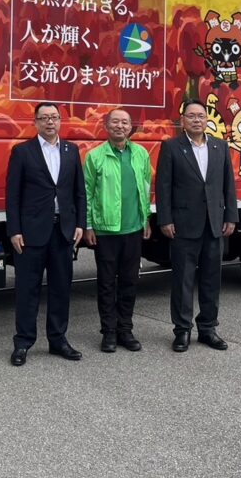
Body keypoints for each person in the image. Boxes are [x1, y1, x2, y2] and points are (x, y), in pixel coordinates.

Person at [155, 97, 239, 352]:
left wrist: (231, 216)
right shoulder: (171, 147)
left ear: (207, 120)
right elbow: (163, 186)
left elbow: (228, 185)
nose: (196, 120)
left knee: (212, 279)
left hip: (214, 224)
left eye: (201, 116)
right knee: (183, 280)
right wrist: (165, 219)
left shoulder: (220, 147)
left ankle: (208, 329)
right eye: (191, 116)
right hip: (183, 225)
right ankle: (182, 330)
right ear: (182, 121)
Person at [6, 102, 86, 366]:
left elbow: (79, 192)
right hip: (31, 232)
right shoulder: (22, 152)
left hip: (63, 231)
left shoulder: (71, 150)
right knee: (27, 290)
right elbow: (13, 195)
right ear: (36, 122)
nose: (50, 122)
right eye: (44, 118)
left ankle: (58, 340)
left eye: (54, 117)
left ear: (60, 120)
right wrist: (14, 230)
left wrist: (80, 224)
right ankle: (23, 342)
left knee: (61, 288)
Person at [83, 108, 152, 353]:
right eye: (115, 122)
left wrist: (146, 219)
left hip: (133, 229)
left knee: (129, 282)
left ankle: (125, 330)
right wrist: (89, 225)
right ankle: (109, 332)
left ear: (130, 127)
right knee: (106, 284)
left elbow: (146, 188)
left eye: (125, 122)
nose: (120, 126)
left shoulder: (141, 154)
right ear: (106, 126)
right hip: (106, 231)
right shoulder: (95, 156)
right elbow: (87, 193)